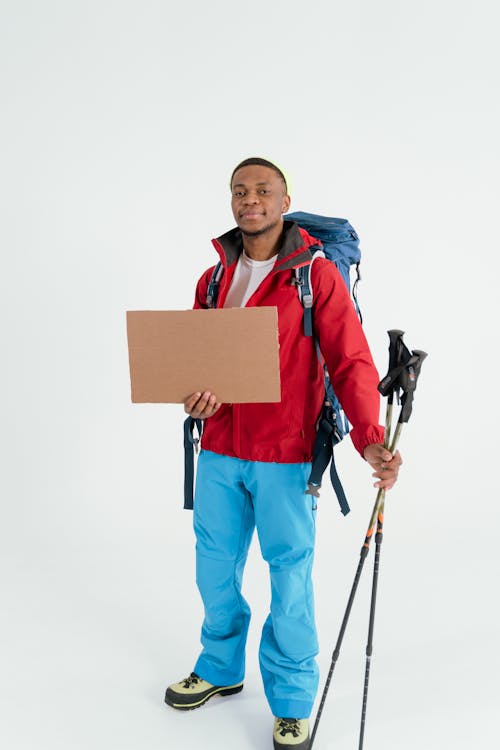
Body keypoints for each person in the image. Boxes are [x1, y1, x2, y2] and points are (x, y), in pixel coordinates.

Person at [164, 157, 402, 750]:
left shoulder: (314, 276)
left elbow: (351, 360)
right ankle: (221, 668)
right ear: (232, 202)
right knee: (214, 570)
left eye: (263, 190)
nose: (251, 200)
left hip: (288, 455)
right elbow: (198, 362)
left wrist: (369, 436)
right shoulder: (213, 279)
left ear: (284, 197)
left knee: (289, 579)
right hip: (219, 447)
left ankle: (293, 700)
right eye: (240, 191)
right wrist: (194, 398)